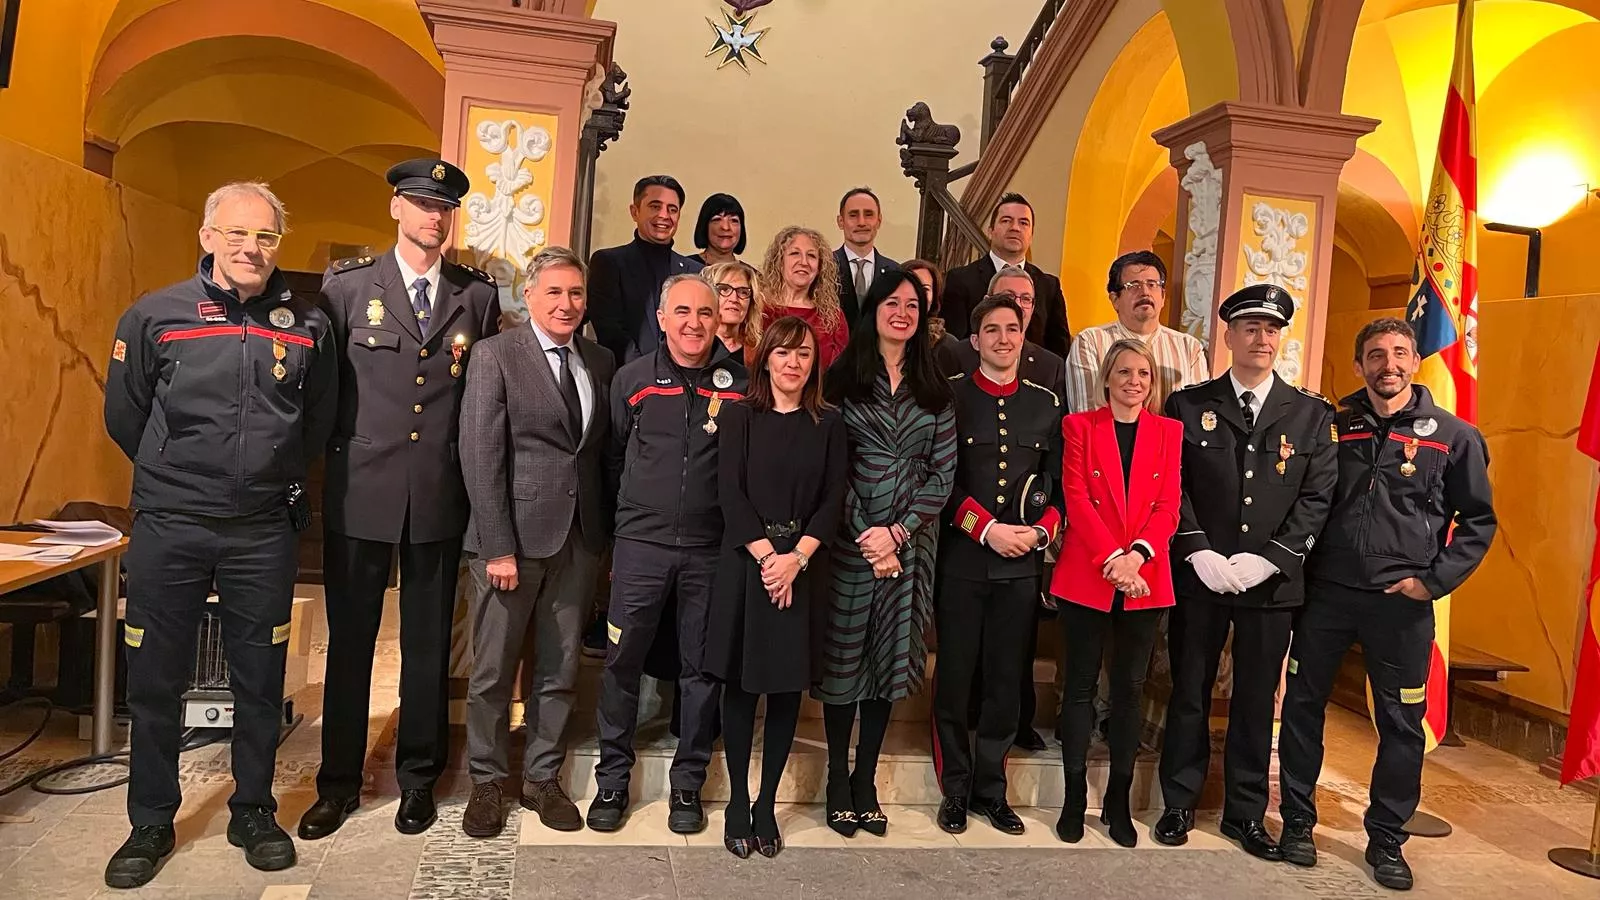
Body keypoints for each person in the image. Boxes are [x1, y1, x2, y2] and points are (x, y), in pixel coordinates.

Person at [102, 181, 337, 888]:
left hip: (261, 530)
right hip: (171, 524)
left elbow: (316, 421)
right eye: (236, 234)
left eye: (265, 237)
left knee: (260, 679)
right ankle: (149, 820)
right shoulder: (154, 317)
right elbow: (125, 415)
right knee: (155, 679)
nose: (250, 248)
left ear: (277, 246)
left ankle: (253, 810)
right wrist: (177, 476)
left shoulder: (307, 324)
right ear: (207, 237)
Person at [300, 159, 501, 841]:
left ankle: (418, 780)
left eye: (443, 207)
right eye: (421, 203)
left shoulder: (476, 298)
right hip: (362, 491)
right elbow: (325, 394)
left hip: (438, 496)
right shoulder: (349, 289)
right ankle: (337, 784)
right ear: (396, 208)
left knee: (425, 651)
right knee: (351, 645)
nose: (433, 217)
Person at [1277, 317, 1496, 892]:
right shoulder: (1331, 425)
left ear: (1415, 362)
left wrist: (1434, 581)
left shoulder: (1455, 437)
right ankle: (1298, 822)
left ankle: (1387, 840)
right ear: (1359, 365)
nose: (1388, 364)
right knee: (1301, 707)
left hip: (1401, 604)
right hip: (1326, 594)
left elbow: (1477, 521)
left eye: (1400, 353)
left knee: (1401, 723)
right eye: (1376, 355)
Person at [1154, 284, 1338, 861]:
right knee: (1189, 691)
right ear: (1228, 335)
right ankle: (1178, 802)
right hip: (1201, 576)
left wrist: (1274, 558)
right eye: (1250, 328)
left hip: (1271, 584)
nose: (1261, 339)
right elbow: (1170, 483)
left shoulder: (1311, 414)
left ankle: (1245, 814)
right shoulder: (1188, 405)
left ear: (1280, 339)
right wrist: (1196, 549)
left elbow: (1318, 496)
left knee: (1258, 700)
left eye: (1271, 330)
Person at [456, 247, 616, 838]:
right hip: (511, 543)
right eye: (554, 292)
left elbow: (596, 456)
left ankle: (542, 778)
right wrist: (496, 545)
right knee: (493, 673)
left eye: (575, 293)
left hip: (579, 541)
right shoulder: (496, 356)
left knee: (560, 667)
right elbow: (480, 454)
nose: (567, 304)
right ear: (529, 295)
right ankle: (488, 783)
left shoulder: (598, 359)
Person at [588, 274, 749, 835]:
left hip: (711, 552)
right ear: (661, 317)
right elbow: (610, 461)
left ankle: (688, 786)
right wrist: (618, 536)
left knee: (701, 670)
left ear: (719, 319)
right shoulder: (631, 381)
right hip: (640, 547)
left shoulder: (739, 384)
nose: (694, 323)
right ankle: (612, 781)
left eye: (705, 313)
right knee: (621, 663)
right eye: (681, 311)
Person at [816, 269, 956, 837]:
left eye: (913, 306)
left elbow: (943, 476)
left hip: (910, 547)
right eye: (892, 302)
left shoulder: (936, 387)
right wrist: (866, 530)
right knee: (843, 663)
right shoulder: (842, 380)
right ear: (873, 308)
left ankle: (866, 779)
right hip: (850, 545)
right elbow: (830, 467)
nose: (902, 312)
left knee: (886, 664)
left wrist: (896, 533)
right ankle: (834, 778)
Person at [705, 316, 848, 859]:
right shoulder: (740, 414)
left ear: (815, 364)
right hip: (748, 567)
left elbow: (833, 498)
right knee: (741, 688)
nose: (793, 362)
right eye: (784, 352)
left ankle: (767, 804)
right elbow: (729, 492)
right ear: (765, 358)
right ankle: (738, 801)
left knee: (786, 690)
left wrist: (796, 561)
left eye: (804, 354)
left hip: (803, 570)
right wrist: (769, 559)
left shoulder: (829, 422)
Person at [931, 296, 1063, 837]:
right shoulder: (951, 397)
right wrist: (985, 528)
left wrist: (1038, 533)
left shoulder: (1047, 404)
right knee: (956, 680)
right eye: (992, 330)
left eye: (1013, 329)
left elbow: (1058, 488)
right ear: (976, 338)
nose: (1004, 339)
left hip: (1020, 569)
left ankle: (991, 788)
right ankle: (955, 789)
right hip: (963, 561)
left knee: (1006, 683)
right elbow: (943, 481)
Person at [1050, 338, 1181, 848]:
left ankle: (1119, 802)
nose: (1133, 381)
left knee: (1129, 690)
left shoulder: (1169, 432)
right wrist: (1113, 559)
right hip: (1089, 570)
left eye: (1143, 374)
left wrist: (1137, 557)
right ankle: (1073, 799)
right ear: (1106, 378)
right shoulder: (1079, 426)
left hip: (1145, 575)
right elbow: (1076, 498)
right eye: (1124, 372)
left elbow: (1168, 504)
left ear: (1153, 383)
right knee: (1079, 688)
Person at [1064, 250, 1208, 414]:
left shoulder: (1189, 348)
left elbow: (1197, 417)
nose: (1145, 292)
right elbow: (1087, 415)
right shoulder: (1090, 342)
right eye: (1134, 286)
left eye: (1152, 284)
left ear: (1162, 296)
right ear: (1115, 300)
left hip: (1174, 439)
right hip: (1107, 438)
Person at [585, 175, 704, 364]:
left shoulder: (695, 272)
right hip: (628, 379)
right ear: (635, 212)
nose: (664, 215)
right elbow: (610, 331)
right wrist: (649, 373)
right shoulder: (609, 263)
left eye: (672, 209)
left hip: (683, 380)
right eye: (655, 206)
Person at [941, 192, 1070, 356]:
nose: (1015, 228)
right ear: (990, 231)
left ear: (1031, 236)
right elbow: (954, 344)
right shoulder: (960, 279)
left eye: (1023, 223)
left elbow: (1059, 348)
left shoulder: (1049, 286)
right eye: (1006, 220)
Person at [936, 266, 1068, 411]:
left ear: (1033, 306)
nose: (1017, 305)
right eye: (1008, 297)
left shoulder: (1052, 367)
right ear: (987, 301)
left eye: (1026, 299)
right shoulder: (953, 355)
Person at [757, 225, 849, 371]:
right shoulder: (759, 310)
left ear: (819, 267)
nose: (804, 262)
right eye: (795, 253)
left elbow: (840, 373)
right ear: (779, 262)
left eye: (811, 256)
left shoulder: (833, 317)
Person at [834, 187, 899, 325]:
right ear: (840, 221)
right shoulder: (823, 267)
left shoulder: (895, 272)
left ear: (879, 221)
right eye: (853, 215)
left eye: (869, 214)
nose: (861, 222)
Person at [901, 258, 959, 365]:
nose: (917, 294)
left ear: (934, 296)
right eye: (911, 286)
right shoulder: (878, 338)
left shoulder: (948, 346)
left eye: (925, 289)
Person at [705, 259, 761, 364]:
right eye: (724, 289)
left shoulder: (758, 354)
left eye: (743, 292)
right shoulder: (693, 347)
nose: (734, 299)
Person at [690, 192, 746, 267]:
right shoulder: (685, 268)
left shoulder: (752, 276)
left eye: (734, 220)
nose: (726, 227)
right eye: (717, 219)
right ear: (704, 226)